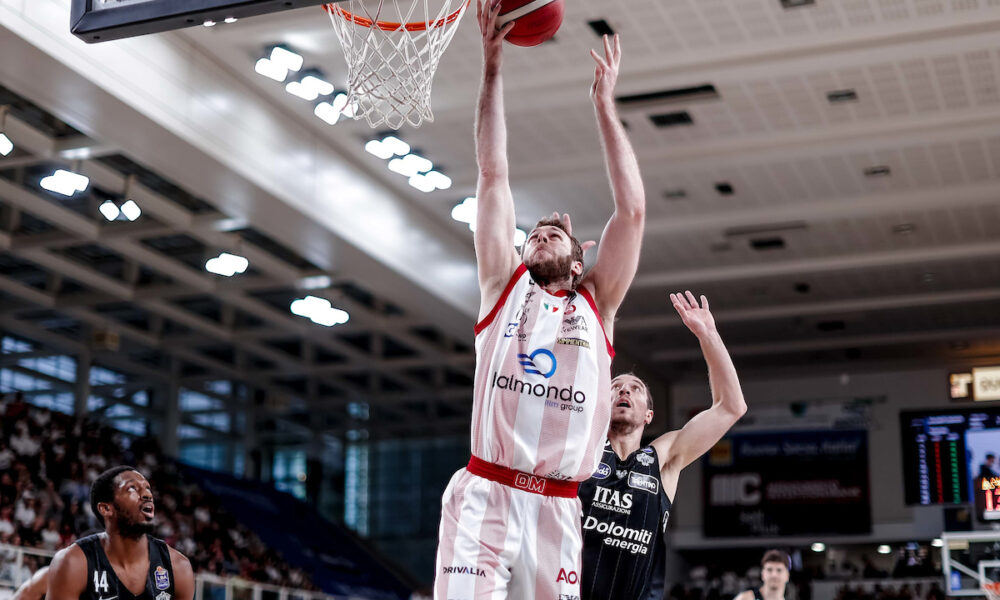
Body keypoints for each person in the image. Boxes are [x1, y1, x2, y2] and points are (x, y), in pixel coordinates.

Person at [433, 0, 646, 597]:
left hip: (558, 507)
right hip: (487, 493)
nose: (539, 234)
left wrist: (604, 107)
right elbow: (492, 173)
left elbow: (632, 211)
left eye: (554, 234)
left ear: (580, 261)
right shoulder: (503, 286)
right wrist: (492, 66)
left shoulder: (597, 305)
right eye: (533, 233)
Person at [579, 292, 747, 600]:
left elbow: (731, 407)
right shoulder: (580, 449)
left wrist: (708, 334)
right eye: (615, 387)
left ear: (649, 415)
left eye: (635, 388)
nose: (624, 391)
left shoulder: (663, 457)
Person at [45, 467, 194, 600]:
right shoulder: (73, 563)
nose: (147, 494)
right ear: (106, 509)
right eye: (132, 488)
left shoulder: (178, 567)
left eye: (148, 488)